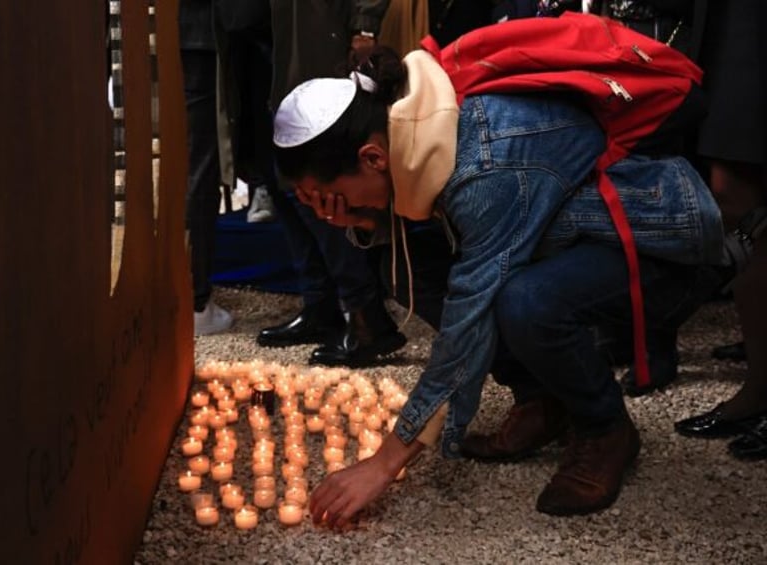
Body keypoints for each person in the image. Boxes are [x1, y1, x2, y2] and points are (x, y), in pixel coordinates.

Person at [272, 33, 725, 522]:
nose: (325, 209)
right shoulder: (415, 118)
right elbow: (427, 234)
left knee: (521, 302)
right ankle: (542, 401)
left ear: (373, 158)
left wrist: (384, 463)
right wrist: (361, 219)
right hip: (573, 239)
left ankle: (605, 429)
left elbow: (470, 318)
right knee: (409, 269)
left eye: (325, 194)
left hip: (661, 243)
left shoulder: (484, 163)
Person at [255, 0, 407, 367]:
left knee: (323, 176)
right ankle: (319, 303)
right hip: (257, 35)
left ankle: (363, 309)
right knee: (281, 178)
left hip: (313, 33)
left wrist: (364, 24)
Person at [673, 0, 767, 461]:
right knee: (734, 191)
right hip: (734, 21)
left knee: (738, 194)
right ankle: (760, 383)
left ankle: (760, 386)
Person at [179, 0, 234, 336]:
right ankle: (195, 298)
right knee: (197, 163)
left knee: (167, 159)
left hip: (140, 28)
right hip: (199, 29)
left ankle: (183, 292)